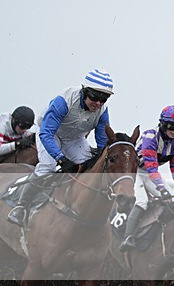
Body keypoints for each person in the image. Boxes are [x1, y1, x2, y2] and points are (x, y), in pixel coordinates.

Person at [7, 68, 113, 226]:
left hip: (74, 138)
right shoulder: (64, 101)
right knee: (48, 166)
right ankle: (20, 206)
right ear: (85, 91)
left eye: (103, 98)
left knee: (87, 165)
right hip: (50, 134)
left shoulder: (102, 111)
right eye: (95, 97)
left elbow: (102, 141)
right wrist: (61, 159)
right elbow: (46, 133)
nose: (98, 103)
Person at [120, 105, 174, 251]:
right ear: (163, 124)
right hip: (134, 171)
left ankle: (155, 233)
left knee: (173, 199)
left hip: (148, 173)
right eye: (172, 126)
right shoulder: (150, 136)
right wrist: (161, 187)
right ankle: (128, 237)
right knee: (142, 201)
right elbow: (151, 166)